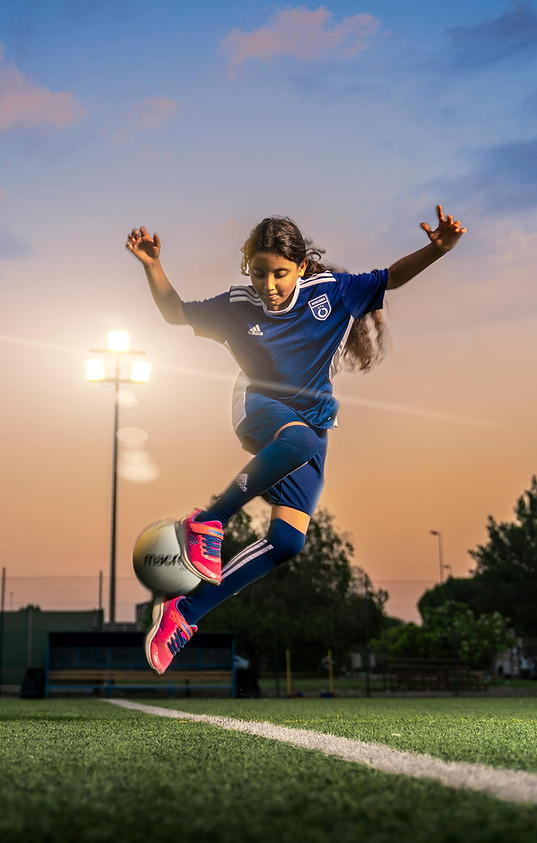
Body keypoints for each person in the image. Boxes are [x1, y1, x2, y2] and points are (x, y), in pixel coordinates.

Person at [126, 205, 466, 675]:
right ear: (250, 269)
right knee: (301, 442)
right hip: (258, 405)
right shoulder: (237, 305)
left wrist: (437, 248)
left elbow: (392, 277)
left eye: (280, 274)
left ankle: (184, 614)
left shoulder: (335, 293)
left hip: (313, 424)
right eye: (260, 273)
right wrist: (154, 265)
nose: (269, 285)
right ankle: (205, 523)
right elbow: (175, 314)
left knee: (287, 541)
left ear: (302, 267)